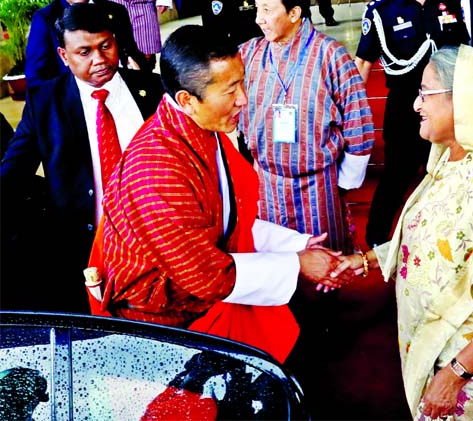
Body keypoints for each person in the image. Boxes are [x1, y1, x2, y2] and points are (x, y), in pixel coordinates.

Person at [96, 25, 351, 363]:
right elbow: (207, 275)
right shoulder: (156, 168)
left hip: (206, 296)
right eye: (230, 90)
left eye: (242, 82)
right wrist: (298, 265)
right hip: (167, 327)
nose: (243, 98)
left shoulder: (200, 128)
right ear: (187, 99)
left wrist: (294, 243)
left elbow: (228, 217)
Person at [334, 45, 473, 420]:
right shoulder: (451, 159)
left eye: (426, 93)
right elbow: (432, 240)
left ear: (466, 100)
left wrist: (456, 373)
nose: (416, 105)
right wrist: (363, 261)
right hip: (447, 347)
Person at [1, 3, 164, 313]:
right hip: (86, 249)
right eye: (84, 52)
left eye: (106, 46)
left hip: (157, 238)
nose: (100, 60)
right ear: (64, 56)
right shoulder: (45, 103)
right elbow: (13, 173)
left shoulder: (152, 90)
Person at [241, 0, 375, 254]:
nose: (258, 19)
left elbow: (358, 122)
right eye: (257, 9)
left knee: (325, 263)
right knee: (277, 268)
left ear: (294, 13)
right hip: (267, 182)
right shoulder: (249, 54)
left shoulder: (331, 55)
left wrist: (344, 183)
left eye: (267, 10)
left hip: (319, 184)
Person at [354, 0, 470, 248]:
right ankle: (376, 243)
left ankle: (450, 240)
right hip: (405, 106)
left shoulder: (448, 3)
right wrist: (350, 115)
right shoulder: (381, 11)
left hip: (446, 105)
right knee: (396, 176)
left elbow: (461, 54)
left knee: (450, 175)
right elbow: (362, 65)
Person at [25, 0, 146, 89]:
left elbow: (132, 53)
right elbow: (36, 78)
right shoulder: (46, 19)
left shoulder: (115, 11)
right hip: (76, 101)